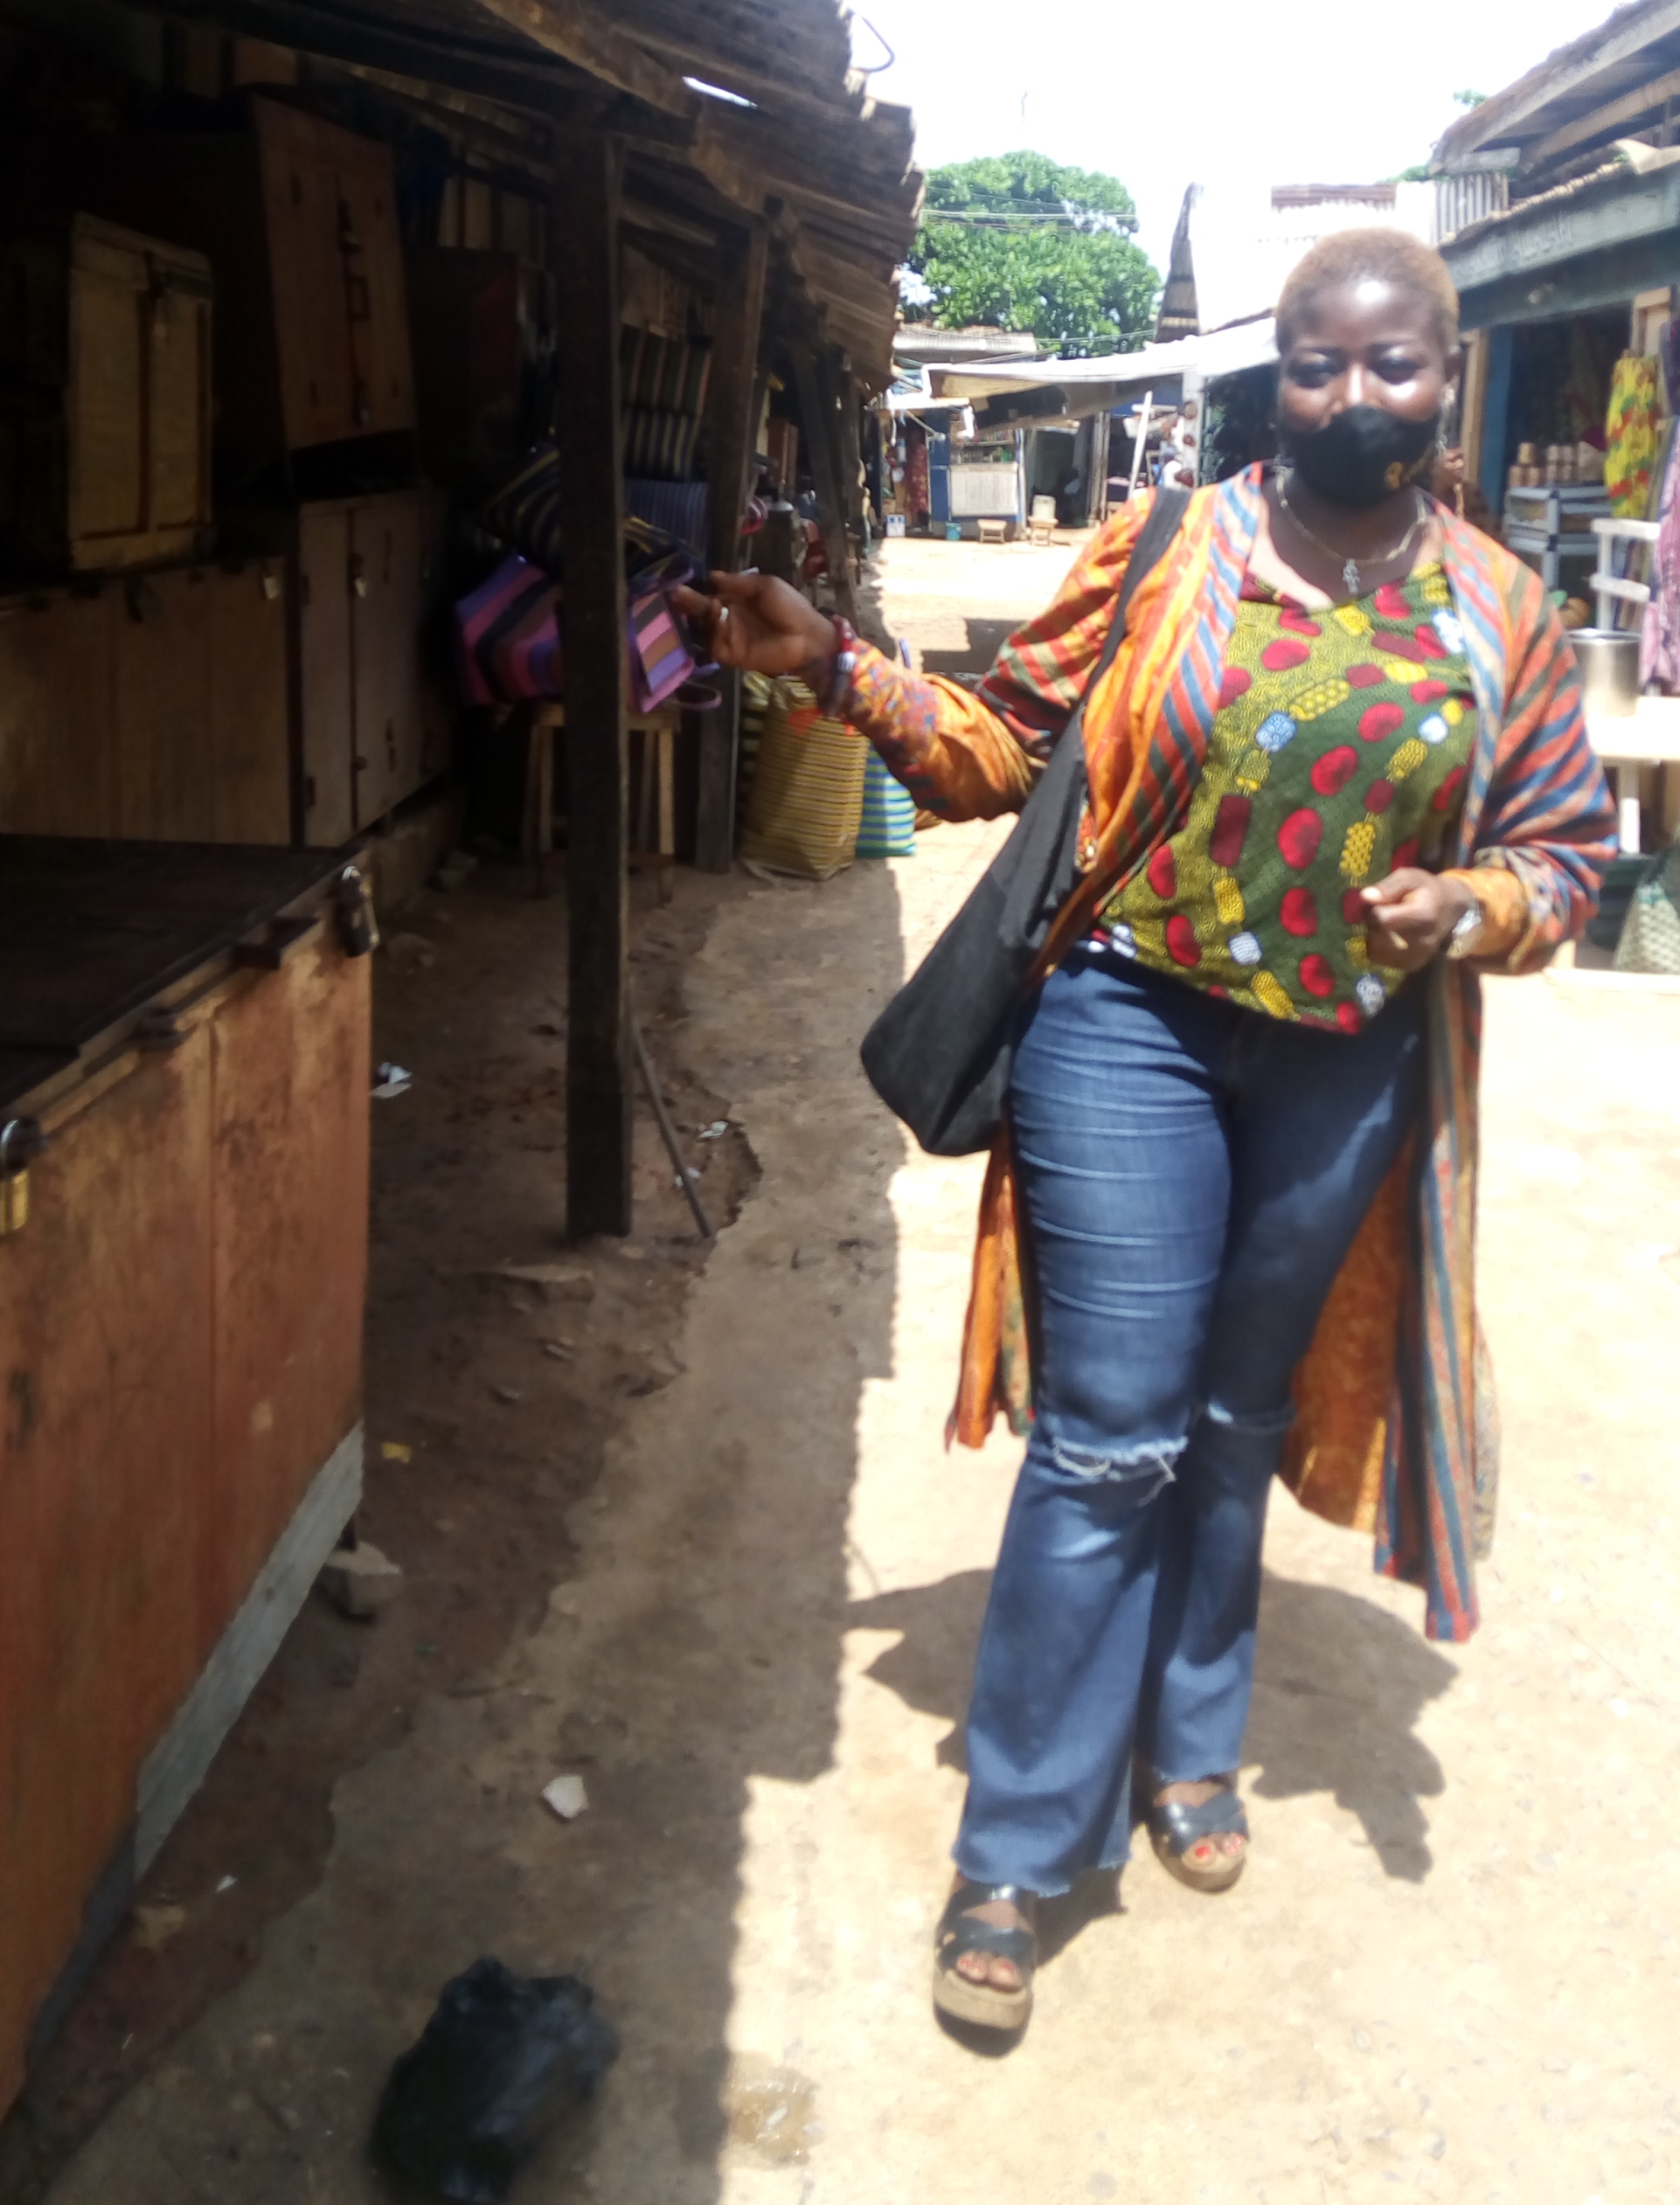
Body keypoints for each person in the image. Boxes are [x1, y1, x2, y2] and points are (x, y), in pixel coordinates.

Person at [672, 228, 1613, 2036]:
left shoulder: (1504, 612)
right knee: (1109, 1442)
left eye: (1394, 366)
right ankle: (1018, 1847)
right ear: (1283, 377)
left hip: (1344, 1059)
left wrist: (1476, 905)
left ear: (1450, 370)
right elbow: (994, 747)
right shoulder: (1174, 550)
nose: (1355, 397)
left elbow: (1565, 854)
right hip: (1127, 1031)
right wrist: (835, 668)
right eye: (1321, 366)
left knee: (1237, 1421)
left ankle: (1194, 1749)